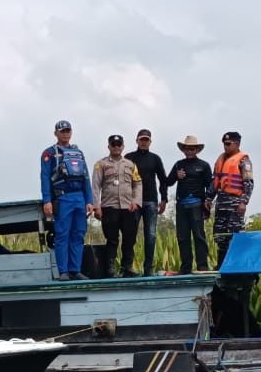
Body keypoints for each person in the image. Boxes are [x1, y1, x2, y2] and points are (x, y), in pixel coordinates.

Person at [40, 119, 95, 280]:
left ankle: (75, 269)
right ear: (55, 133)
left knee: (78, 234)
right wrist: (47, 200)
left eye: (67, 131)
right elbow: (44, 177)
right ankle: (63, 271)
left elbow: (86, 177)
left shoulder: (78, 153)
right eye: (62, 131)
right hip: (62, 197)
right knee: (62, 234)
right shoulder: (49, 153)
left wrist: (89, 200)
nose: (65, 134)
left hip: (79, 197)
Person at [92, 134, 143, 277]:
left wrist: (136, 201)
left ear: (123, 146)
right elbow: (95, 186)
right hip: (109, 207)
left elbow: (137, 184)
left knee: (129, 239)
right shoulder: (100, 164)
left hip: (128, 207)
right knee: (112, 239)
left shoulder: (130, 164)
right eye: (113, 145)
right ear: (108, 146)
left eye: (118, 145)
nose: (116, 147)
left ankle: (126, 268)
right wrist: (97, 206)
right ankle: (110, 269)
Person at [167, 134, 214, 274]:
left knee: (199, 236)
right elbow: (168, 182)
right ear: (183, 149)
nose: (190, 151)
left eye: (193, 149)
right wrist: (176, 175)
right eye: (187, 148)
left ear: (197, 150)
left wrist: (207, 207)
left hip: (197, 204)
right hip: (181, 205)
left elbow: (210, 186)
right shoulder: (178, 165)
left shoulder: (204, 165)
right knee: (182, 236)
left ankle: (202, 266)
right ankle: (186, 267)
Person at [126, 128, 169, 276]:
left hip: (151, 200)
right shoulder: (129, 157)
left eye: (146, 140)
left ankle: (148, 268)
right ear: (137, 140)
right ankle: (127, 267)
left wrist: (164, 198)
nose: (144, 142)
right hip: (133, 202)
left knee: (150, 235)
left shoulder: (155, 158)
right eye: (141, 140)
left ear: (150, 142)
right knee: (130, 234)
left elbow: (163, 180)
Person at [210, 130, 254, 268]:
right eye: (224, 144)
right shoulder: (221, 160)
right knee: (220, 234)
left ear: (237, 144)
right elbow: (214, 181)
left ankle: (238, 265)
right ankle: (221, 265)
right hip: (221, 201)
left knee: (236, 234)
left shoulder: (244, 161)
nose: (226, 147)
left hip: (235, 202)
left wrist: (243, 201)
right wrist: (208, 199)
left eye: (228, 144)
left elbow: (249, 183)